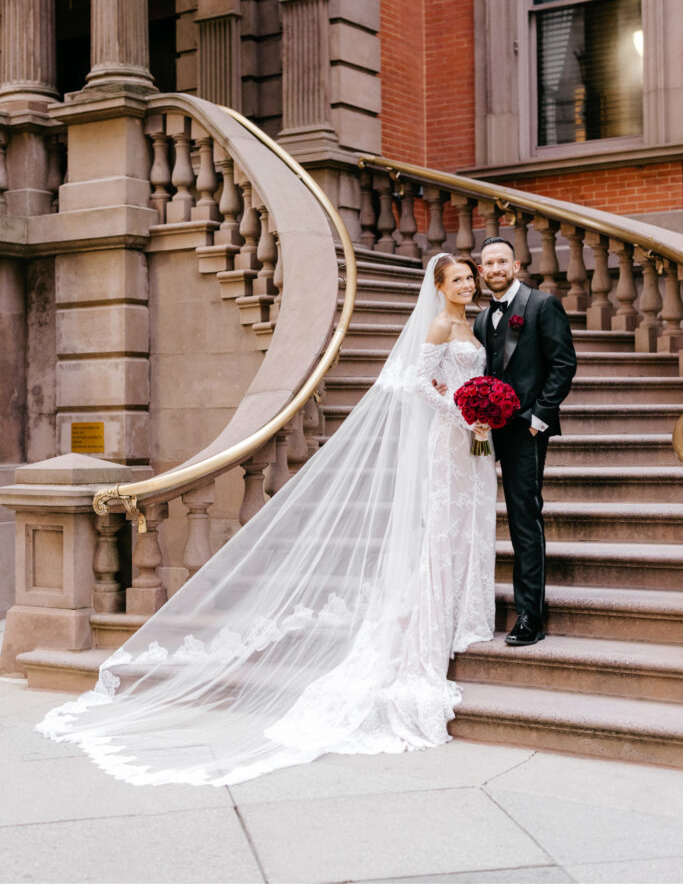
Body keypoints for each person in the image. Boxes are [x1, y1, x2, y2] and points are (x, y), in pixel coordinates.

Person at [37, 254, 497, 789]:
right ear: (439, 286)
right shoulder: (440, 323)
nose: (467, 285)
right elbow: (418, 383)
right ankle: (437, 619)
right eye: (458, 279)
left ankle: (467, 613)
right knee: (441, 528)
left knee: (466, 524)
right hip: (451, 438)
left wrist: (481, 416)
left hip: (474, 444)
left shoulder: (472, 322)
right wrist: (465, 413)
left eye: (470, 278)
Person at [473, 236, 577, 646]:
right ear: (482, 272)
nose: (495, 269)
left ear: (515, 265)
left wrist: (539, 417)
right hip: (486, 431)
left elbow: (563, 364)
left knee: (523, 520)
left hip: (526, 430)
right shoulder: (481, 319)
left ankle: (529, 617)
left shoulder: (541, 305)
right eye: (488, 264)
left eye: (502, 261)